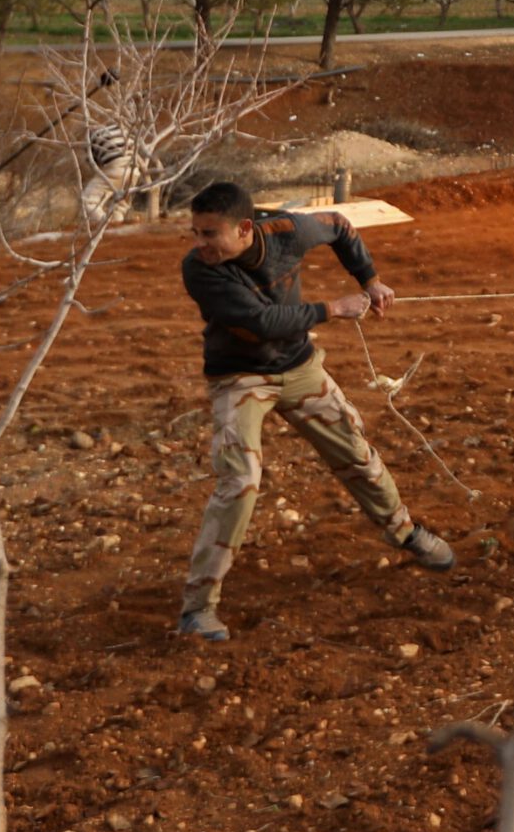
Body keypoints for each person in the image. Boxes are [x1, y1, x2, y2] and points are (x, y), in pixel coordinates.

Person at [174, 179, 454, 642]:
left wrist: (370, 281)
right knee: (240, 480)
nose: (197, 244)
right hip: (239, 377)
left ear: (245, 228)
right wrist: (336, 307)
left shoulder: (290, 231)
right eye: (195, 232)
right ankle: (198, 608)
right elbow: (263, 323)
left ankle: (404, 532)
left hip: (300, 368)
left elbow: (342, 227)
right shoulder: (200, 271)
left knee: (357, 454)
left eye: (208, 234)